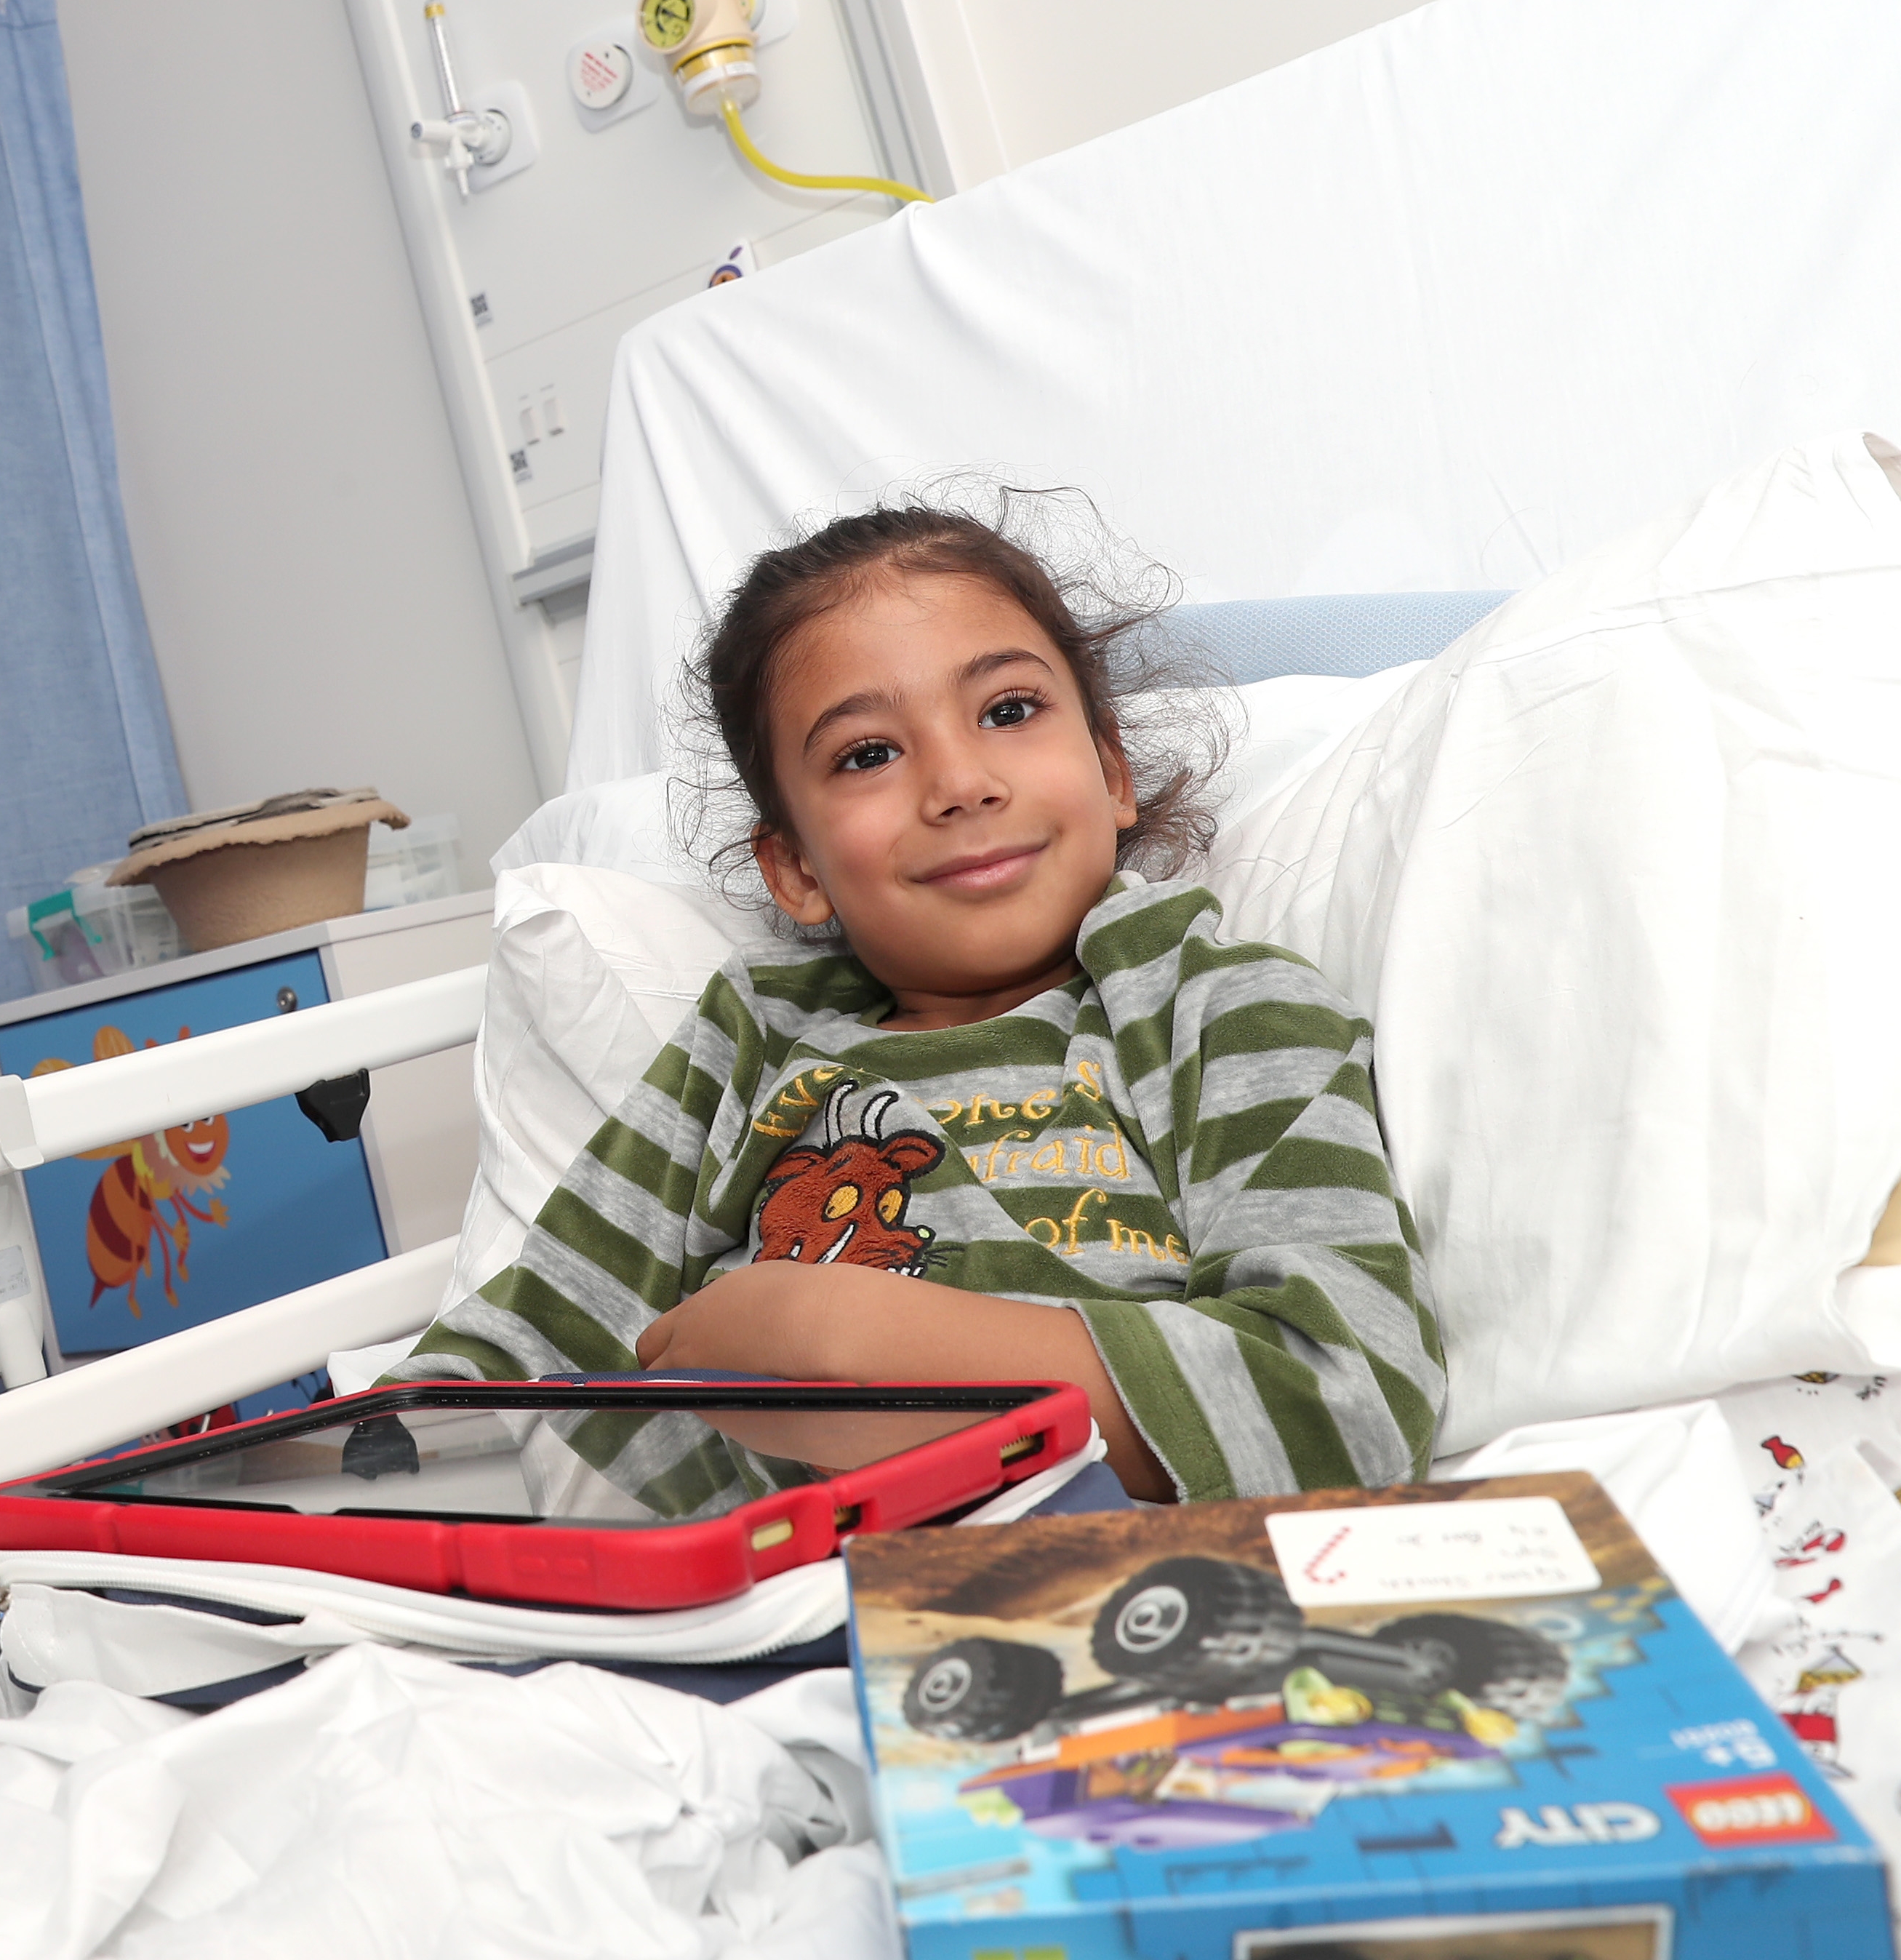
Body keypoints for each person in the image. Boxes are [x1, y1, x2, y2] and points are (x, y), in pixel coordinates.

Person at [386, 502, 1440, 1507]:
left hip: (1136, 1578)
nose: (959, 782)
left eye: (1010, 710)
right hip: (776, 1616)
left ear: (1111, 773)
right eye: (869, 754)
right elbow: (524, 1348)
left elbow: (1346, 1397)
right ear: (796, 868)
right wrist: (365, 1457)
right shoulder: (748, 1044)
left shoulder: (1217, 1010)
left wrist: (859, 1348)